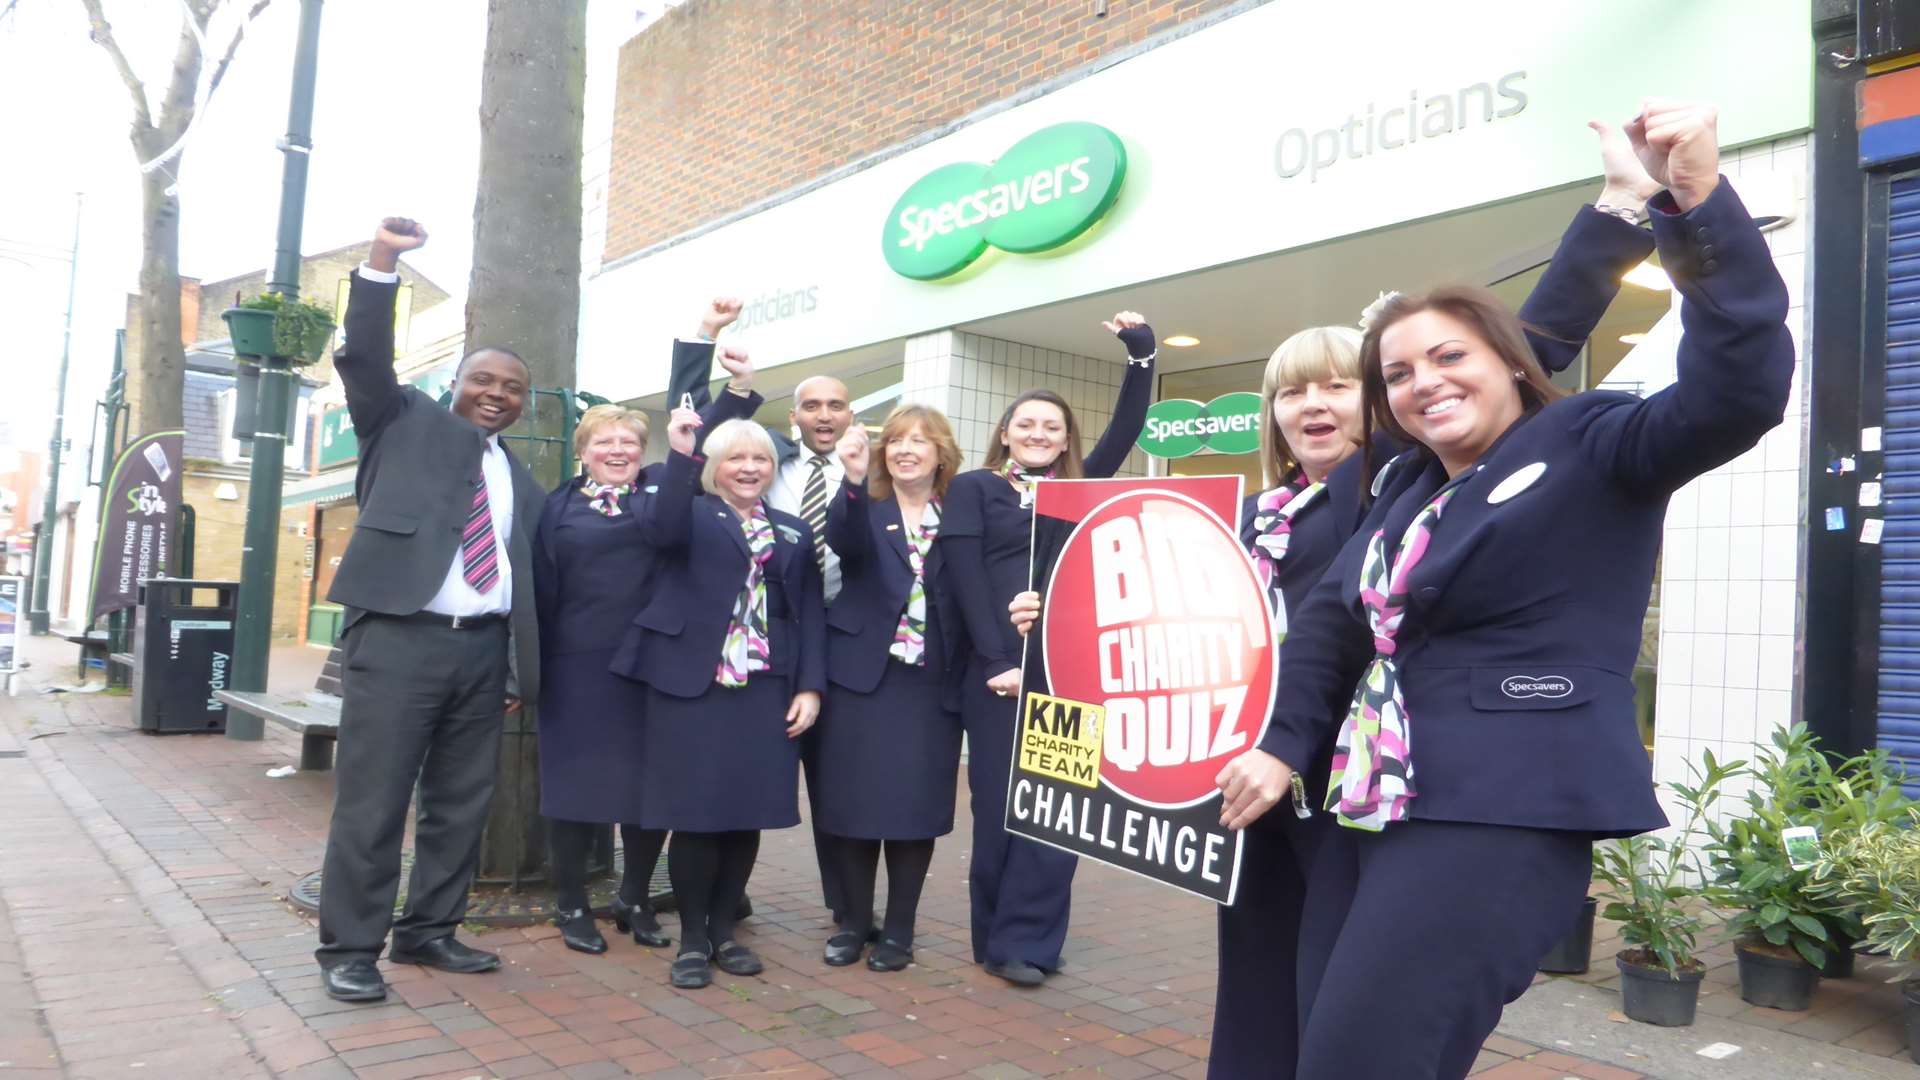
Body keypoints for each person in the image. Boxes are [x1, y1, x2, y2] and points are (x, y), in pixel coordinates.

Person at [1217, 101, 1791, 1080]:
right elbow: (1330, 621)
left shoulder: (1592, 444)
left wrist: (1686, 202)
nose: (1422, 384)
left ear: (1510, 368)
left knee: (1361, 1059)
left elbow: (1738, 387)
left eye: (1449, 359)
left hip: (1504, 807)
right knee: (1326, 1041)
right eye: (1395, 374)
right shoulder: (1400, 483)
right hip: (1372, 802)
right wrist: (1282, 745)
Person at [314, 217, 545, 1003]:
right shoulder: (397, 419)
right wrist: (382, 264)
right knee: (373, 802)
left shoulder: (517, 473)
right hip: (400, 643)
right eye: (486, 380)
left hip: (481, 656)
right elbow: (365, 355)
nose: (498, 395)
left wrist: (516, 660)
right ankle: (351, 947)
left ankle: (429, 932)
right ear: (458, 381)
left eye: (512, 389)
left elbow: (527, 570)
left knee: (459, 805)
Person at [531, 319, 763, 955]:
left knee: (646, 786)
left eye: (628, 441)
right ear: (582, 450)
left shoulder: (666, 489)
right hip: (575, 666)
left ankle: (632, 895)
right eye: (603, 441)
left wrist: (715, 354)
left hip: (651, 662)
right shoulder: (555, 506)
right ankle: (572, 901)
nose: (617, 449)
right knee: (576, 789)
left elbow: (695, 426)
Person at [941, 312, 1156, 987]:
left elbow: (1126, 429)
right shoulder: (975, 489)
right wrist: (997, 661)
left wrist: (1141, 355)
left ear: (1067, 441)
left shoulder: (1076, 491)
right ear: (1005, 432)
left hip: (1069, 674)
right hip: (998, 674)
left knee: (1059, 811)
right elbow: (968, 580)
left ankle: (1032, 940)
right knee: (1002, 809)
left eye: (1052, 427)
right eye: (1026, 424)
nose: (1039, 434)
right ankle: (997, 939)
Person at [618, 413, 826, 988]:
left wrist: (809, 686)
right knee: (697, 816)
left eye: (760, 459)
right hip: (695, 685)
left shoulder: (793, 529)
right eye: (735, 458)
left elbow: (805, 613)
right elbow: (659, 528)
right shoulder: (686, 512)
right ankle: (690, 942)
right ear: (714, 467)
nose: (749, 468)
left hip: (765, 687)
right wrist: (682, 452)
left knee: (744, 815)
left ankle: (723, 934)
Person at [673, 357, 858, 932]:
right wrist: (711, 360)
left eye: (836, 404)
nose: (824, 415)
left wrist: (811, 681)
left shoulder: (866, 470)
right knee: (714, 798)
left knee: (829, 786)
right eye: (811, 405)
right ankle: (710, 922)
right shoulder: (746, 474)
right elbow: (696, 432)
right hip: (734, 656)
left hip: (834, 644)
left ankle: (846, 908)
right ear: (795, 417)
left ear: (851, 414)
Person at [815, 404, 966, 971]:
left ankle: (899, 930)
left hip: (930, 683)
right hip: (860, 679)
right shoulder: (867, 505)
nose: (906, 450)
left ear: (940, 452)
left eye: (919, 441)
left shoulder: (961, 512)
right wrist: (851, 477)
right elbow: (844, 542)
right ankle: (854, 924)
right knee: (853, 807)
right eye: (896, 440)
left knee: (913, 810)